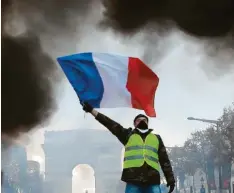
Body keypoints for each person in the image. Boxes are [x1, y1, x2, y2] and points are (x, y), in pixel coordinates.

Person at [82, 102, 176, 193]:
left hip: (152, 179)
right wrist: (92, 111)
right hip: (133, 179)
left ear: (147, 123)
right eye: (139, 120)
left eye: (144, 120)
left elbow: (164, 160)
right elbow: (109, 123)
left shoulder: (156, 138)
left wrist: (170, 179)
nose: (142, 121)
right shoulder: (127, 135)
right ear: (134, 124)